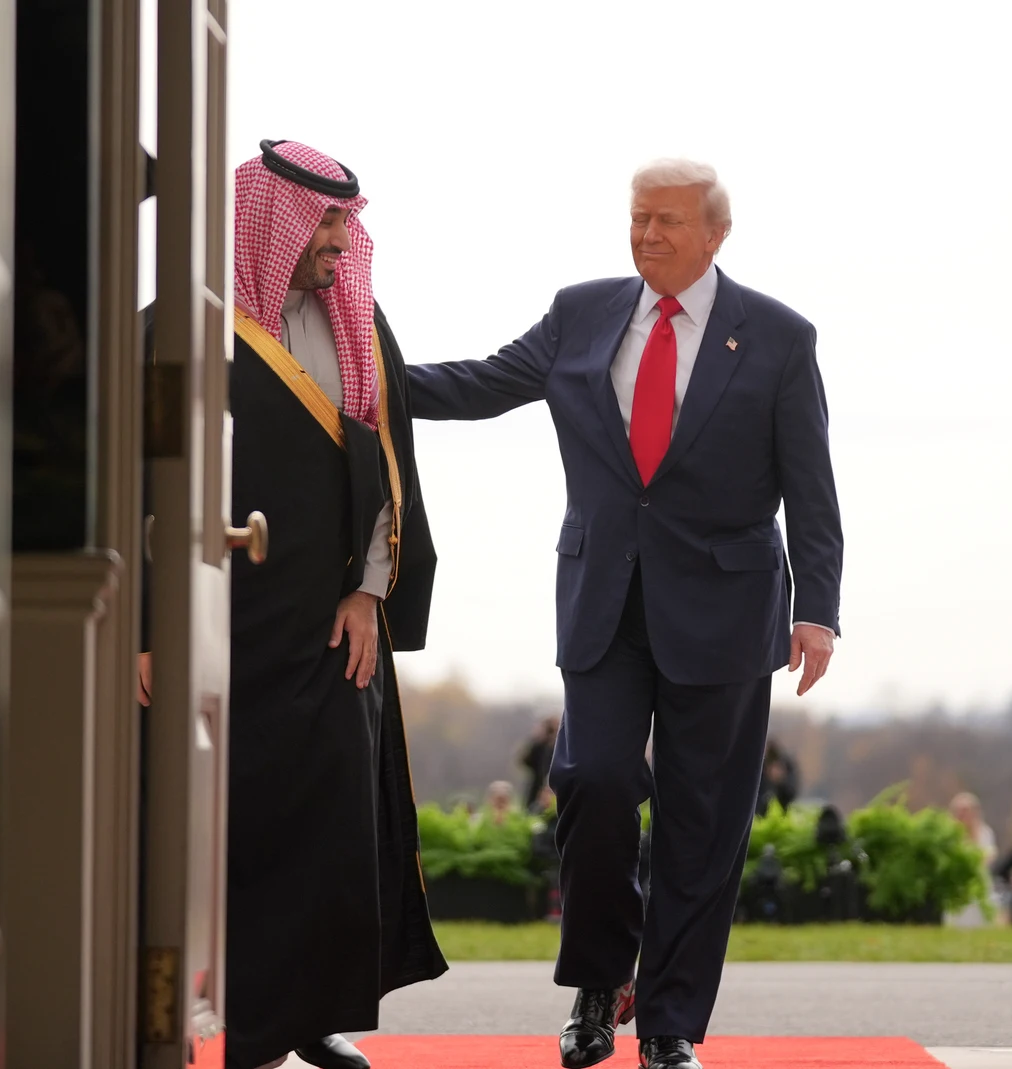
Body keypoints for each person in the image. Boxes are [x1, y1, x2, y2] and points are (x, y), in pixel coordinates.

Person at [408, 158, 844, 1069]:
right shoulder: (582, 312)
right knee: (597, 781)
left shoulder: (776, 337)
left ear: (716, 233)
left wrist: (819, 609)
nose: (646, 235)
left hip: (725, 608)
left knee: (704, 823)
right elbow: (486, 381)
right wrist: (365, 379)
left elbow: (811, 487)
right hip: (605, 600)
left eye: (667, 222)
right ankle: (598, 984)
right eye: (637, 218)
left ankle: (671, 1022)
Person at [139, 139, 446, 1069]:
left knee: (326, 826)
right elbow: (141, 482)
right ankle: (171, 1020)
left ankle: (297, 1018)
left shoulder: (359, 321)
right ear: (266, 219)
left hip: (327, 628)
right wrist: (146, 630)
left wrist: (368, 590)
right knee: (208, 826)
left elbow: (389, 467)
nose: (340, 243)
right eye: (321, 221)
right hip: (207, 623)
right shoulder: (175, 327)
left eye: (346, 222)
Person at [944, 793, 998, 928]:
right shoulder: (948, 834)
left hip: (979, 886)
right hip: (957, 886)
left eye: (967, 811)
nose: (964, 815)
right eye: (960, 811)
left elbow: (989, 855)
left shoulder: (985, 832)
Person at [522, 715, 563, 811]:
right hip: (537, 786)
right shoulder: (538, 746)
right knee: (533, 811)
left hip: (553, 788)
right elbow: (525, 760)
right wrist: (537, 738)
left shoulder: (559, 746)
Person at [754, 741, 798, 815]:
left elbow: (791, 793)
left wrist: (780, 780)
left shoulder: (786, 766)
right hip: (761, 812)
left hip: (782, 811)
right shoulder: (760, 767)